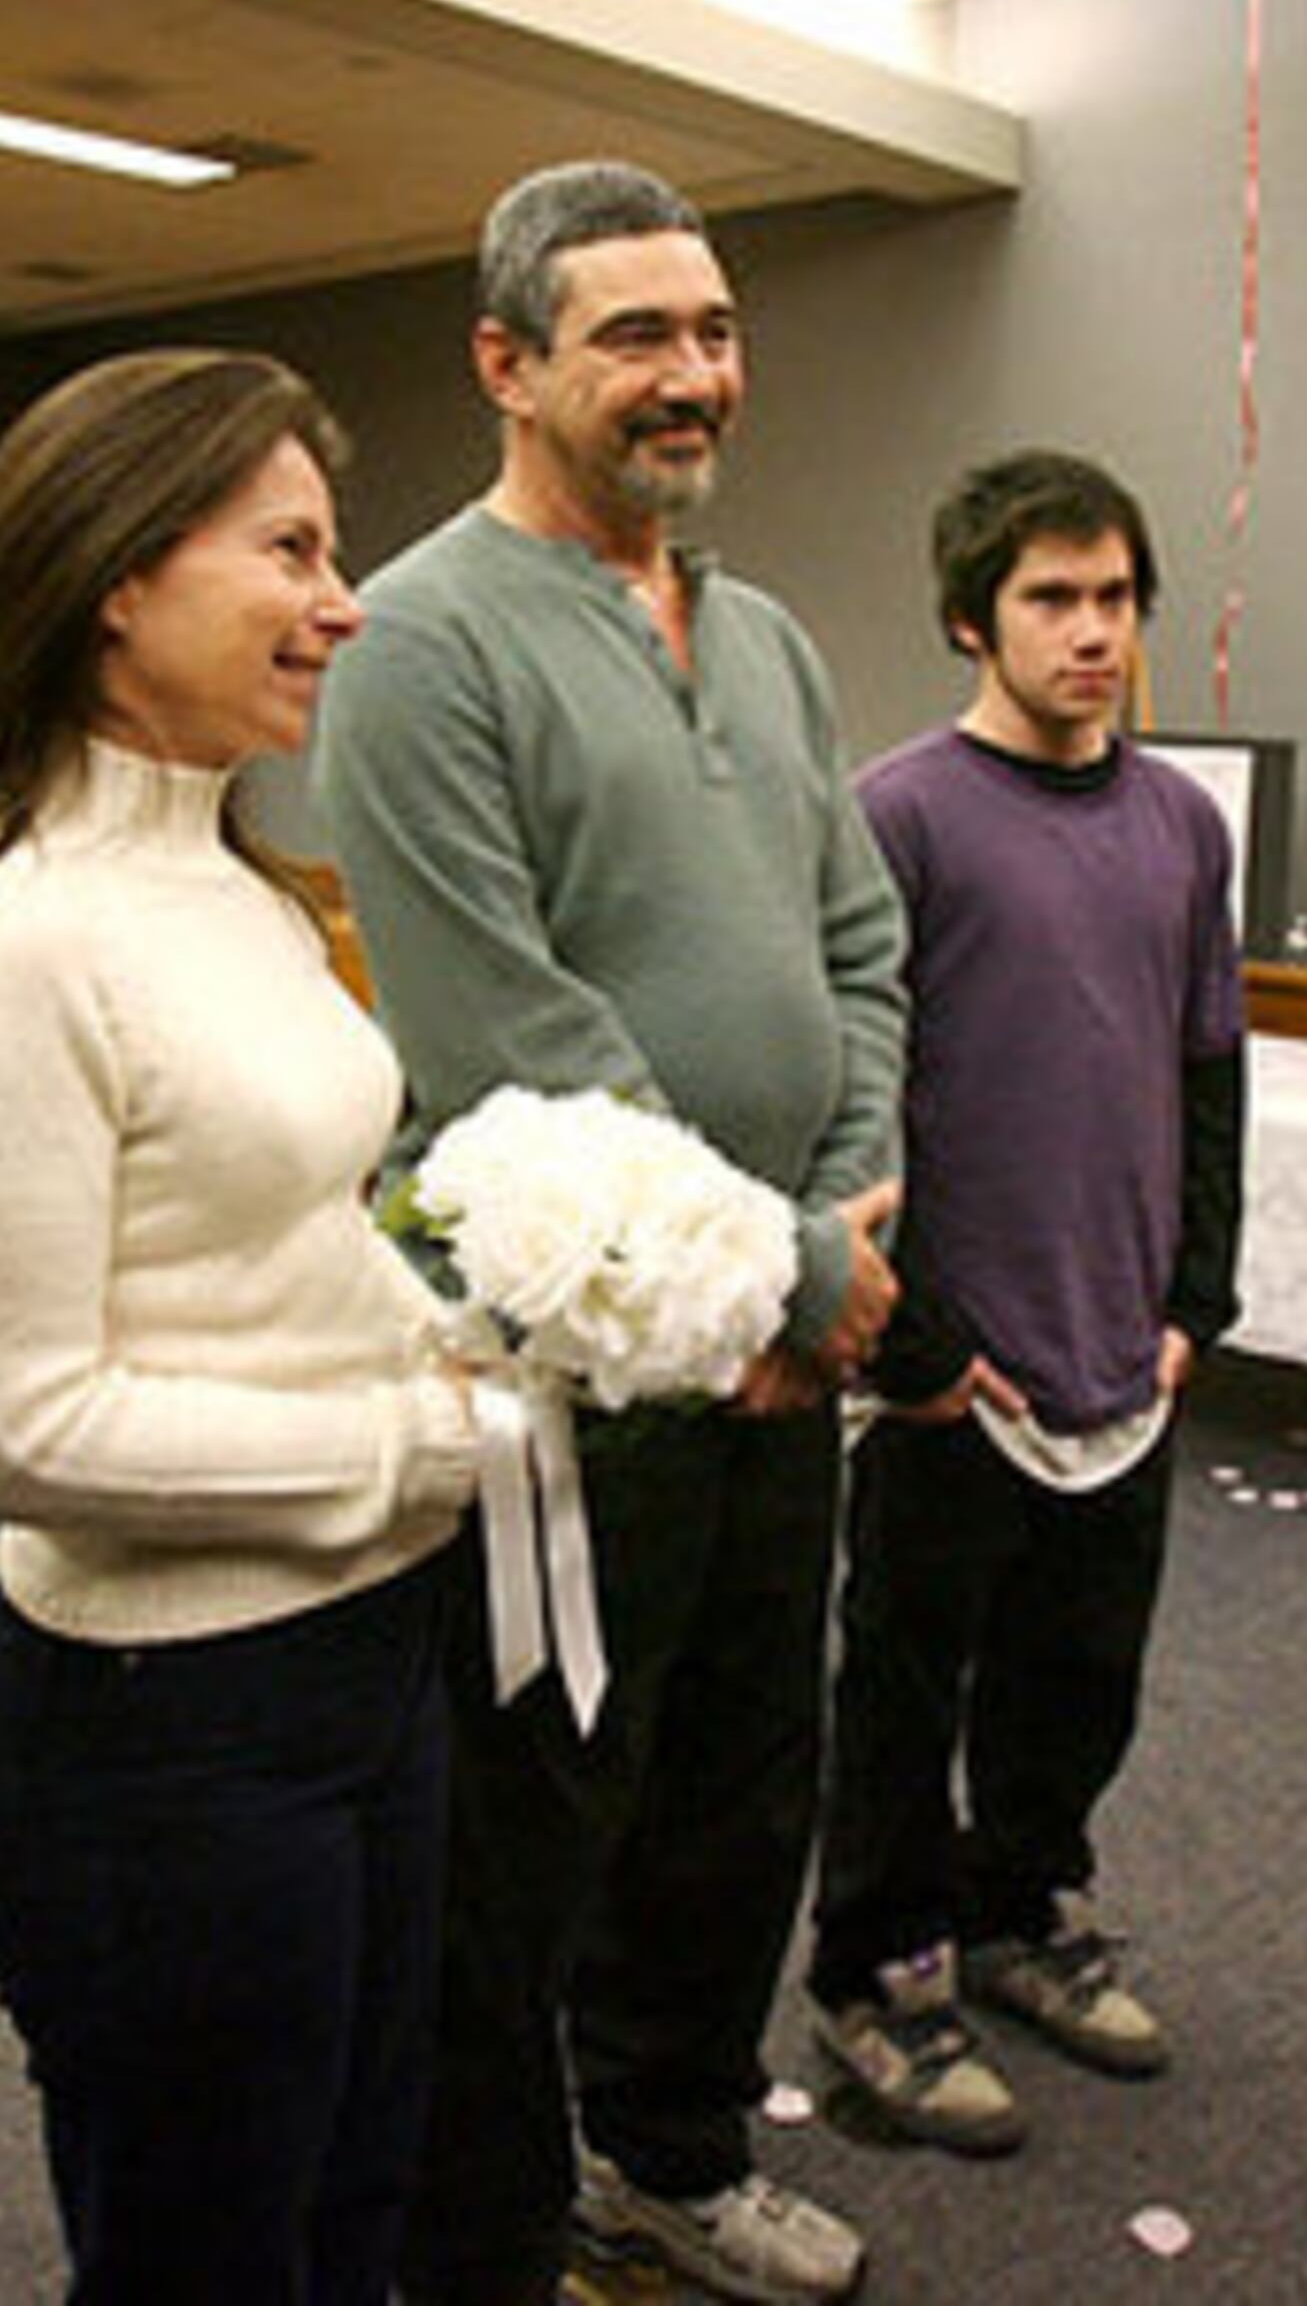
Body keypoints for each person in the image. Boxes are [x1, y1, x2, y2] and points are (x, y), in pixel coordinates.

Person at [313, 158, 908, 2306]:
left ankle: (671, 2147)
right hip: (584, 1357)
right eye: (635, 334)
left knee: (751, 1783)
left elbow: (861, 939)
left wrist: (855, 1191)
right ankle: (487, 2209)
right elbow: (512, 1040)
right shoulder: (414, 643)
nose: (695, 374)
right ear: (505, 362)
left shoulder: (763, 635)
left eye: (717, 329)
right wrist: (798, 1270)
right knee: (538, 1817)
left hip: (784, 1347)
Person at [0, 349, 484, 2303]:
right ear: (118, 572)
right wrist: (404, 1448)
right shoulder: (13, 925)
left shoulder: (238, 885)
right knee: (205, 2260)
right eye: (290, 546)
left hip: (369, 1659)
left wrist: (458, 1340)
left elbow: (291, 1218)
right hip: (169, 1735)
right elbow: (4, 1425)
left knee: (360, 2208)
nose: (344, 597)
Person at [801, 449, 1245, 2158]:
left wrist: (1197, 1292)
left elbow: (1213, 1071)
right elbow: (852, 1101)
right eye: (1052, 598)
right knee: (906, 1687)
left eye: (1115, 597)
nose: (1091, 632)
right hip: (951, 1366)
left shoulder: (1178, 825)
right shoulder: (898, 813)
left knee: (1079, 1674)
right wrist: (909, 1342)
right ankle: (876, 1973)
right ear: (969, 617)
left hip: (1122, 1342)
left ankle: (1018, 1912)